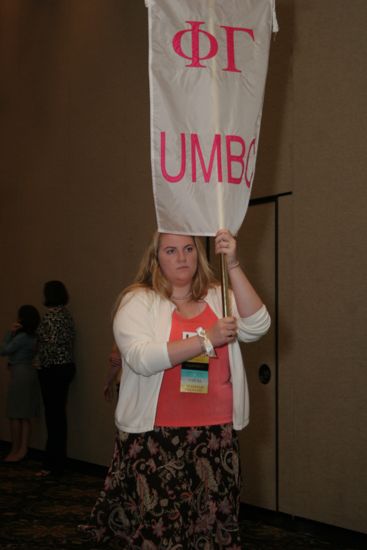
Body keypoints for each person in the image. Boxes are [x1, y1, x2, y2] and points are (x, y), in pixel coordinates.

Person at [81, 228, 270, 548]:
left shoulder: (216, 294)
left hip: (214, 435)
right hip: (156, 437)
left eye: (188, 249)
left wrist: (233, 265)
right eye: (170, 251)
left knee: (212, 527)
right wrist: (205, 339)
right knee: (159, 532)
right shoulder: (138, 300)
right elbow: (141, 358)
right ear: (155, 259)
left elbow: (257, 326)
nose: (182, 257)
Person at [36, 280, 75, 477]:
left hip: (52, 370)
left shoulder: (50, 316)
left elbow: (48, 347)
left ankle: (51, 464)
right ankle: (58, 461)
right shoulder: (66, 315)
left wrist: (40, 364)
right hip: (66, 367)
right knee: (59, 416)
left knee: (53, 417)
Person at [0, 305, 41, 462]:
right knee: (25, 414)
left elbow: (4, 350)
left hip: (20, 375)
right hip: (29, 372)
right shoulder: (34, 337)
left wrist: (10, 333)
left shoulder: (21, 337)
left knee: (16, 414)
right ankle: (22, 449)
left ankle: (16, 449)